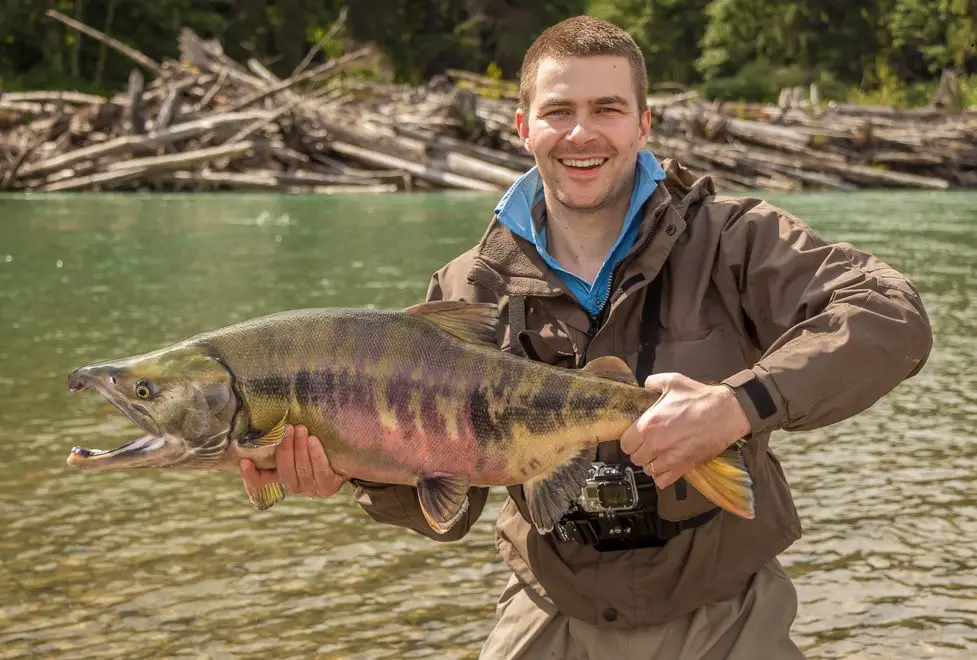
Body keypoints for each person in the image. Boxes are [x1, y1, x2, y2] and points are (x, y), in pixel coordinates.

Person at [239, 15, 933, 660]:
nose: (581, 134)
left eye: (606, 109)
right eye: (558, 112)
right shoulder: (466, 289)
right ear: (522, 126)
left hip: (726, 609)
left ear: (642, 125)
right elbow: (444, 509)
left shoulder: (735, 240)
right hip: (552, 606)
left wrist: (736, 406)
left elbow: (890, 315)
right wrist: (350, 463)